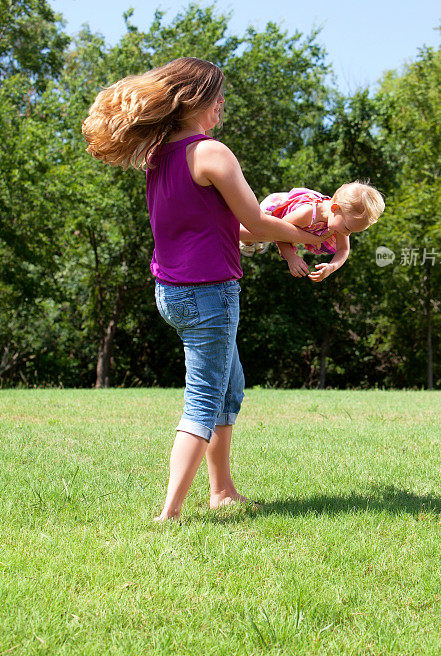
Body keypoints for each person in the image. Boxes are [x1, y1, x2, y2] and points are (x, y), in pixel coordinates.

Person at [81, 57, 328, 521]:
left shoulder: (161, 155)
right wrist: (309, 238)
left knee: (228, 387)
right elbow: (254, 221)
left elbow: (232, 230)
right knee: (203, 397)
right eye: (217, 98)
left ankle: (222, 490)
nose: (221, 107)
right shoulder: (212, 153)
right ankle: (169, 514)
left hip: (172, 292)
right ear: (195, 99)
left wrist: (287, 236)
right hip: (209, 293)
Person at [240, 182, 385, 282]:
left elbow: (344, 249)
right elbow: (279, 232)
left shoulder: (342, 219)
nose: (347, 234)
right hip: (278, 213)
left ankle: (255, 242)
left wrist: (331, 267)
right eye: (348, 229)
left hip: (298, 228)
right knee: (259, 235)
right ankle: (246, 240)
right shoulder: (307, 213)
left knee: (263, 239)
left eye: (352, 232)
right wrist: (291, 257)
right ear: (335, 209)